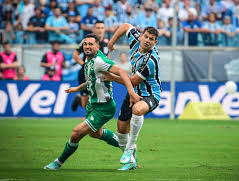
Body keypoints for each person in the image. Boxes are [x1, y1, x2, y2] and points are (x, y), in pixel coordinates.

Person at [44, 33, 141, 170]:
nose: (87, 46)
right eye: (85, 44)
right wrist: (78, 88)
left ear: (97, 46)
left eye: (91, 44)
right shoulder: (89, 60)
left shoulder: (99, 60)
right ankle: (129, 146)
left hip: (104, 107)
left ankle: (58, 163)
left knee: (76, 133)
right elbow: (92, 80)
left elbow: (122, 72)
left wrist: (131, 92)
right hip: (93, 105)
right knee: (95, 133)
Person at [103, 23, 161, 170]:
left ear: (155, 42)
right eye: (146, 36)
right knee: (121, 130)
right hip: (133, 91)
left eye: (151, 39)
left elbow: (134, 80)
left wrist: (112, 77)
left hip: (150, 95)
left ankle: (130, 148)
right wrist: (111, 43)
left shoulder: (151, 60)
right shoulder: (136, 40)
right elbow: (125, 26)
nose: (147, 40)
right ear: (141, 36)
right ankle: (131, 162)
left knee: (137, 109)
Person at [72, 20, 109, 110]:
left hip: (99, 75)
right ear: (94, 29)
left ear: (105, 29)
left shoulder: (106, 43)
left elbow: (108, 58)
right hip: (85, 74)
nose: (100, 30)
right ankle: (80, 100)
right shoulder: (87, 41)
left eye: (102, 28)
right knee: (85, 104)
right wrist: (84, 65)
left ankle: (95, 122)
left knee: (99, 101)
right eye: (98, 28)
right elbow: (75, 55)